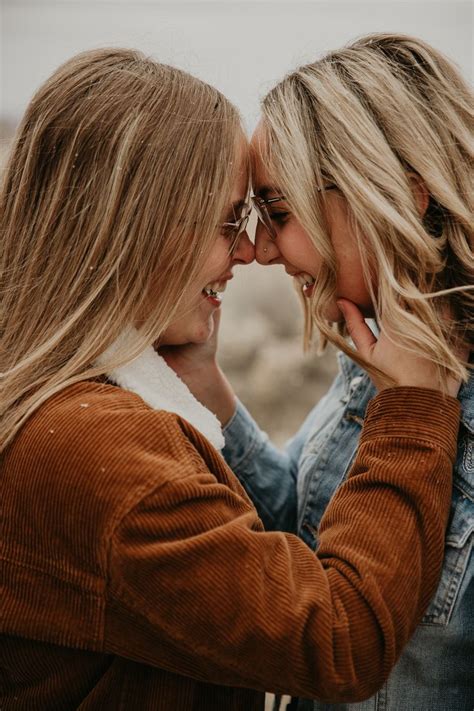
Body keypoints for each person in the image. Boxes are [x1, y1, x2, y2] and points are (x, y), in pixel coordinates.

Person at [0, 47, 463, 711]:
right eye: (234, 220)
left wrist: (207, 393)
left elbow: (273, 546)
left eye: (275, 211)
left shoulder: (372, 363)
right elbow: (335, 635)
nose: (252, 250)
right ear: (135, 228)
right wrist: (413, 416)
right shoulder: (94, 448)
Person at [165, 34, 473, 710]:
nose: (262, 249)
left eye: (278, 210)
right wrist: (210, 389)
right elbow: (300, 540)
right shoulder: (374, 360)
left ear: (398, 194)